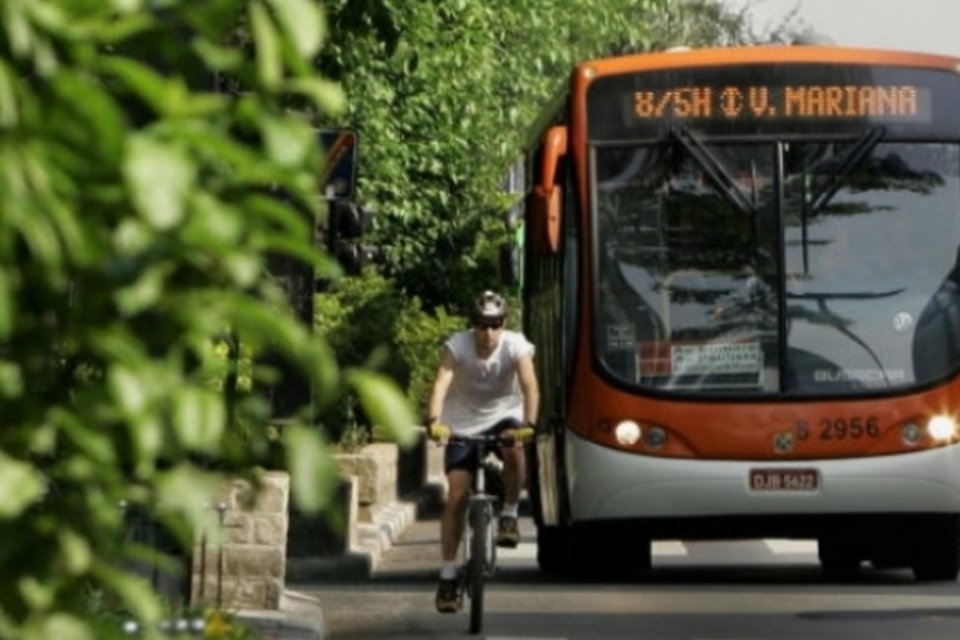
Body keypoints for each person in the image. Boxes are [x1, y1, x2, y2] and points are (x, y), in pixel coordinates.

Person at [425, 290, 540, 614]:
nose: (488, 332)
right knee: (457, 495)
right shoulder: (457, 345)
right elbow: (440, 385)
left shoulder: (516, 345)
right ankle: (448, 575)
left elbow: (530, 386)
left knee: (514, 445)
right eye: (481, 324)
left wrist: (529, 423)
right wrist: (433, 421)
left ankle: (509, 515)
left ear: (503, 323)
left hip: (505, 414)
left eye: (494, 324)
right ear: (471, 324)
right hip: (462, 421)